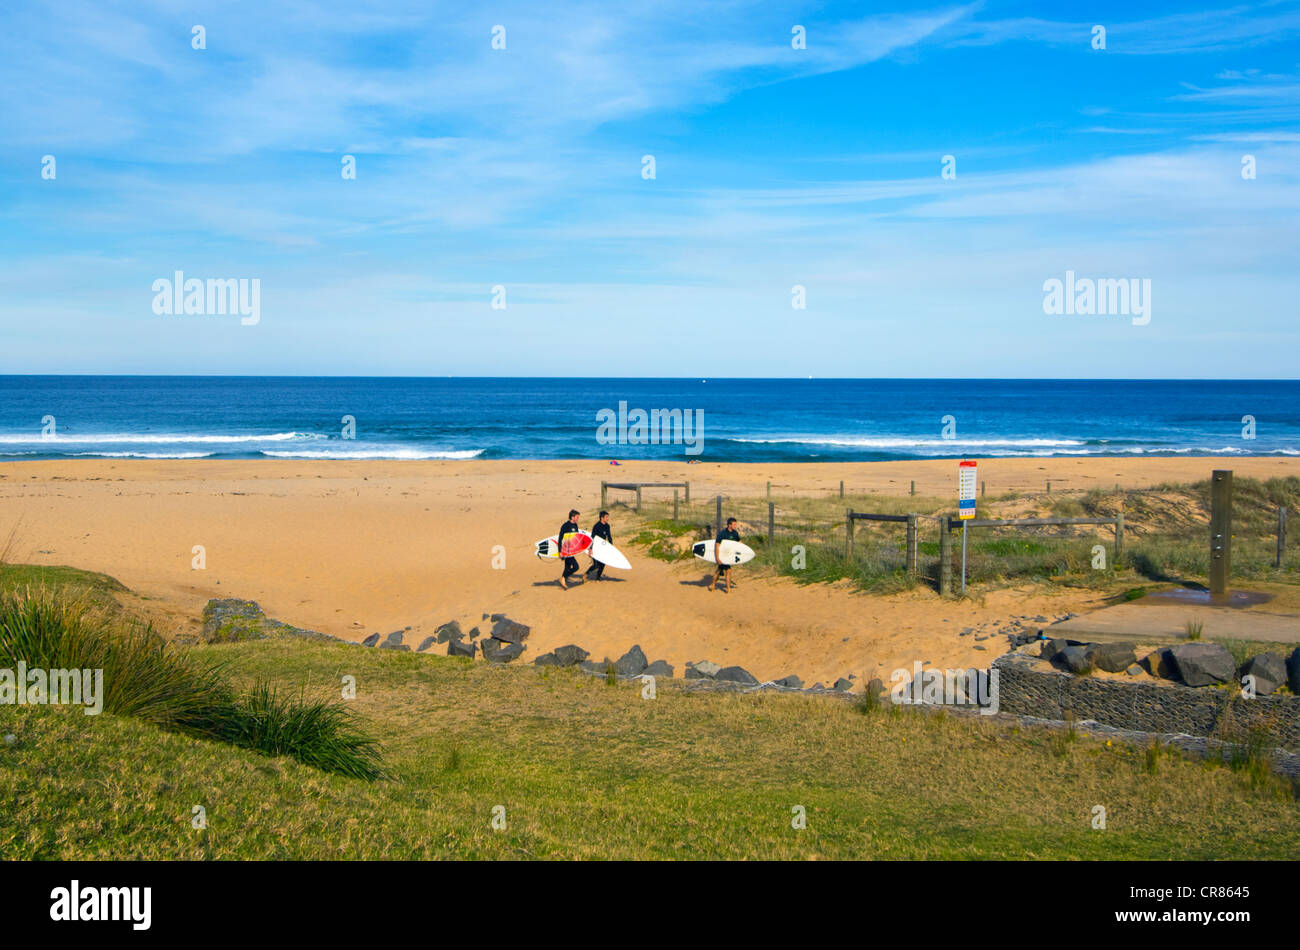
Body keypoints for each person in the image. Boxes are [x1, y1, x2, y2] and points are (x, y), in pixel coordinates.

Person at [708, 517, 741, 592]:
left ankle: (712, 584)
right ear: (729, 525)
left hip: (728, 555)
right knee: (728, 571)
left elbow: (739, 542)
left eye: (736, 524)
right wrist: (717, 558)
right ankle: (728, 589)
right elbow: (717, 546)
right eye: (734, 524)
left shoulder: (735, 533)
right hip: (721, 555)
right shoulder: (722, 534)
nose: (736, 526)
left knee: (719, 571)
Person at [557, 509, 583, 589]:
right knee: (576, 567)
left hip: (572, 550)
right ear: (572, 517)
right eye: (577, 517)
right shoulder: (565, 525)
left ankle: (564, 579)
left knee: (567, 567)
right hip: (566, 550)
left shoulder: (575, 525)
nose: (578, 518)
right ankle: (563, 578)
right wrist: (560, 551)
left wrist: (578, 549)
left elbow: (576, 538)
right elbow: (560, 538)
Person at [585, 510, 613, 580]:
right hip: (595, 547)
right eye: (606, 517)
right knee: (595, 565)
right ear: (602, 518)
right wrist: (590, 549)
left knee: (603, 563)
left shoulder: (607, 526)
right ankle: (586, 573)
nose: (608, 519)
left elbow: (609, 537)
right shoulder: (596, 526)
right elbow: (592, 538)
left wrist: (611, 546)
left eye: (608, 517)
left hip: (602, 547)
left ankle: (598, 577)